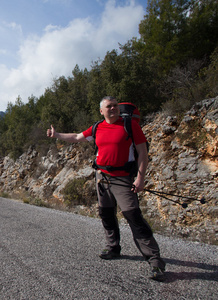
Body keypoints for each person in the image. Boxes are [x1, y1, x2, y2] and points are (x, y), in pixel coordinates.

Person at [47, 96, 166, 281]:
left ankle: (155, 260)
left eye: (115, 106)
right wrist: (57, 135)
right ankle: (113, 248)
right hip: (102, 177)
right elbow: (78, 137)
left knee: (133, 217)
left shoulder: (129, 125)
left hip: (123, 178)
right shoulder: (97, 127)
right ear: (101, 111)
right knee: (106, 213)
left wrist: (140, 178)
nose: (113, 109)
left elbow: (143, 152)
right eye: (109, 107)